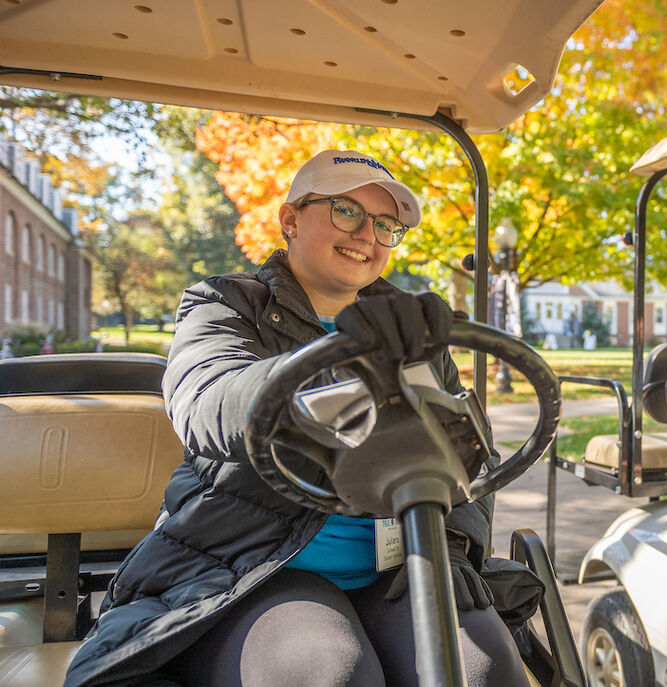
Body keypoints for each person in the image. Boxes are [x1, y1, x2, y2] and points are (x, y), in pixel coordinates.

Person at [65, 150, 532, 687]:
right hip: (256, 563)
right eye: (346, 211)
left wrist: (450, 544)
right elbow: (207, 404)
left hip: (400, 562)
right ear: (290, 219)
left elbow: (469, 453)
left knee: (483, 670)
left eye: (386, 225)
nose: (368, 235)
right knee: (330, 672)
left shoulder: (410, 327)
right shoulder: (223, 304)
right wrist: (339, 371)